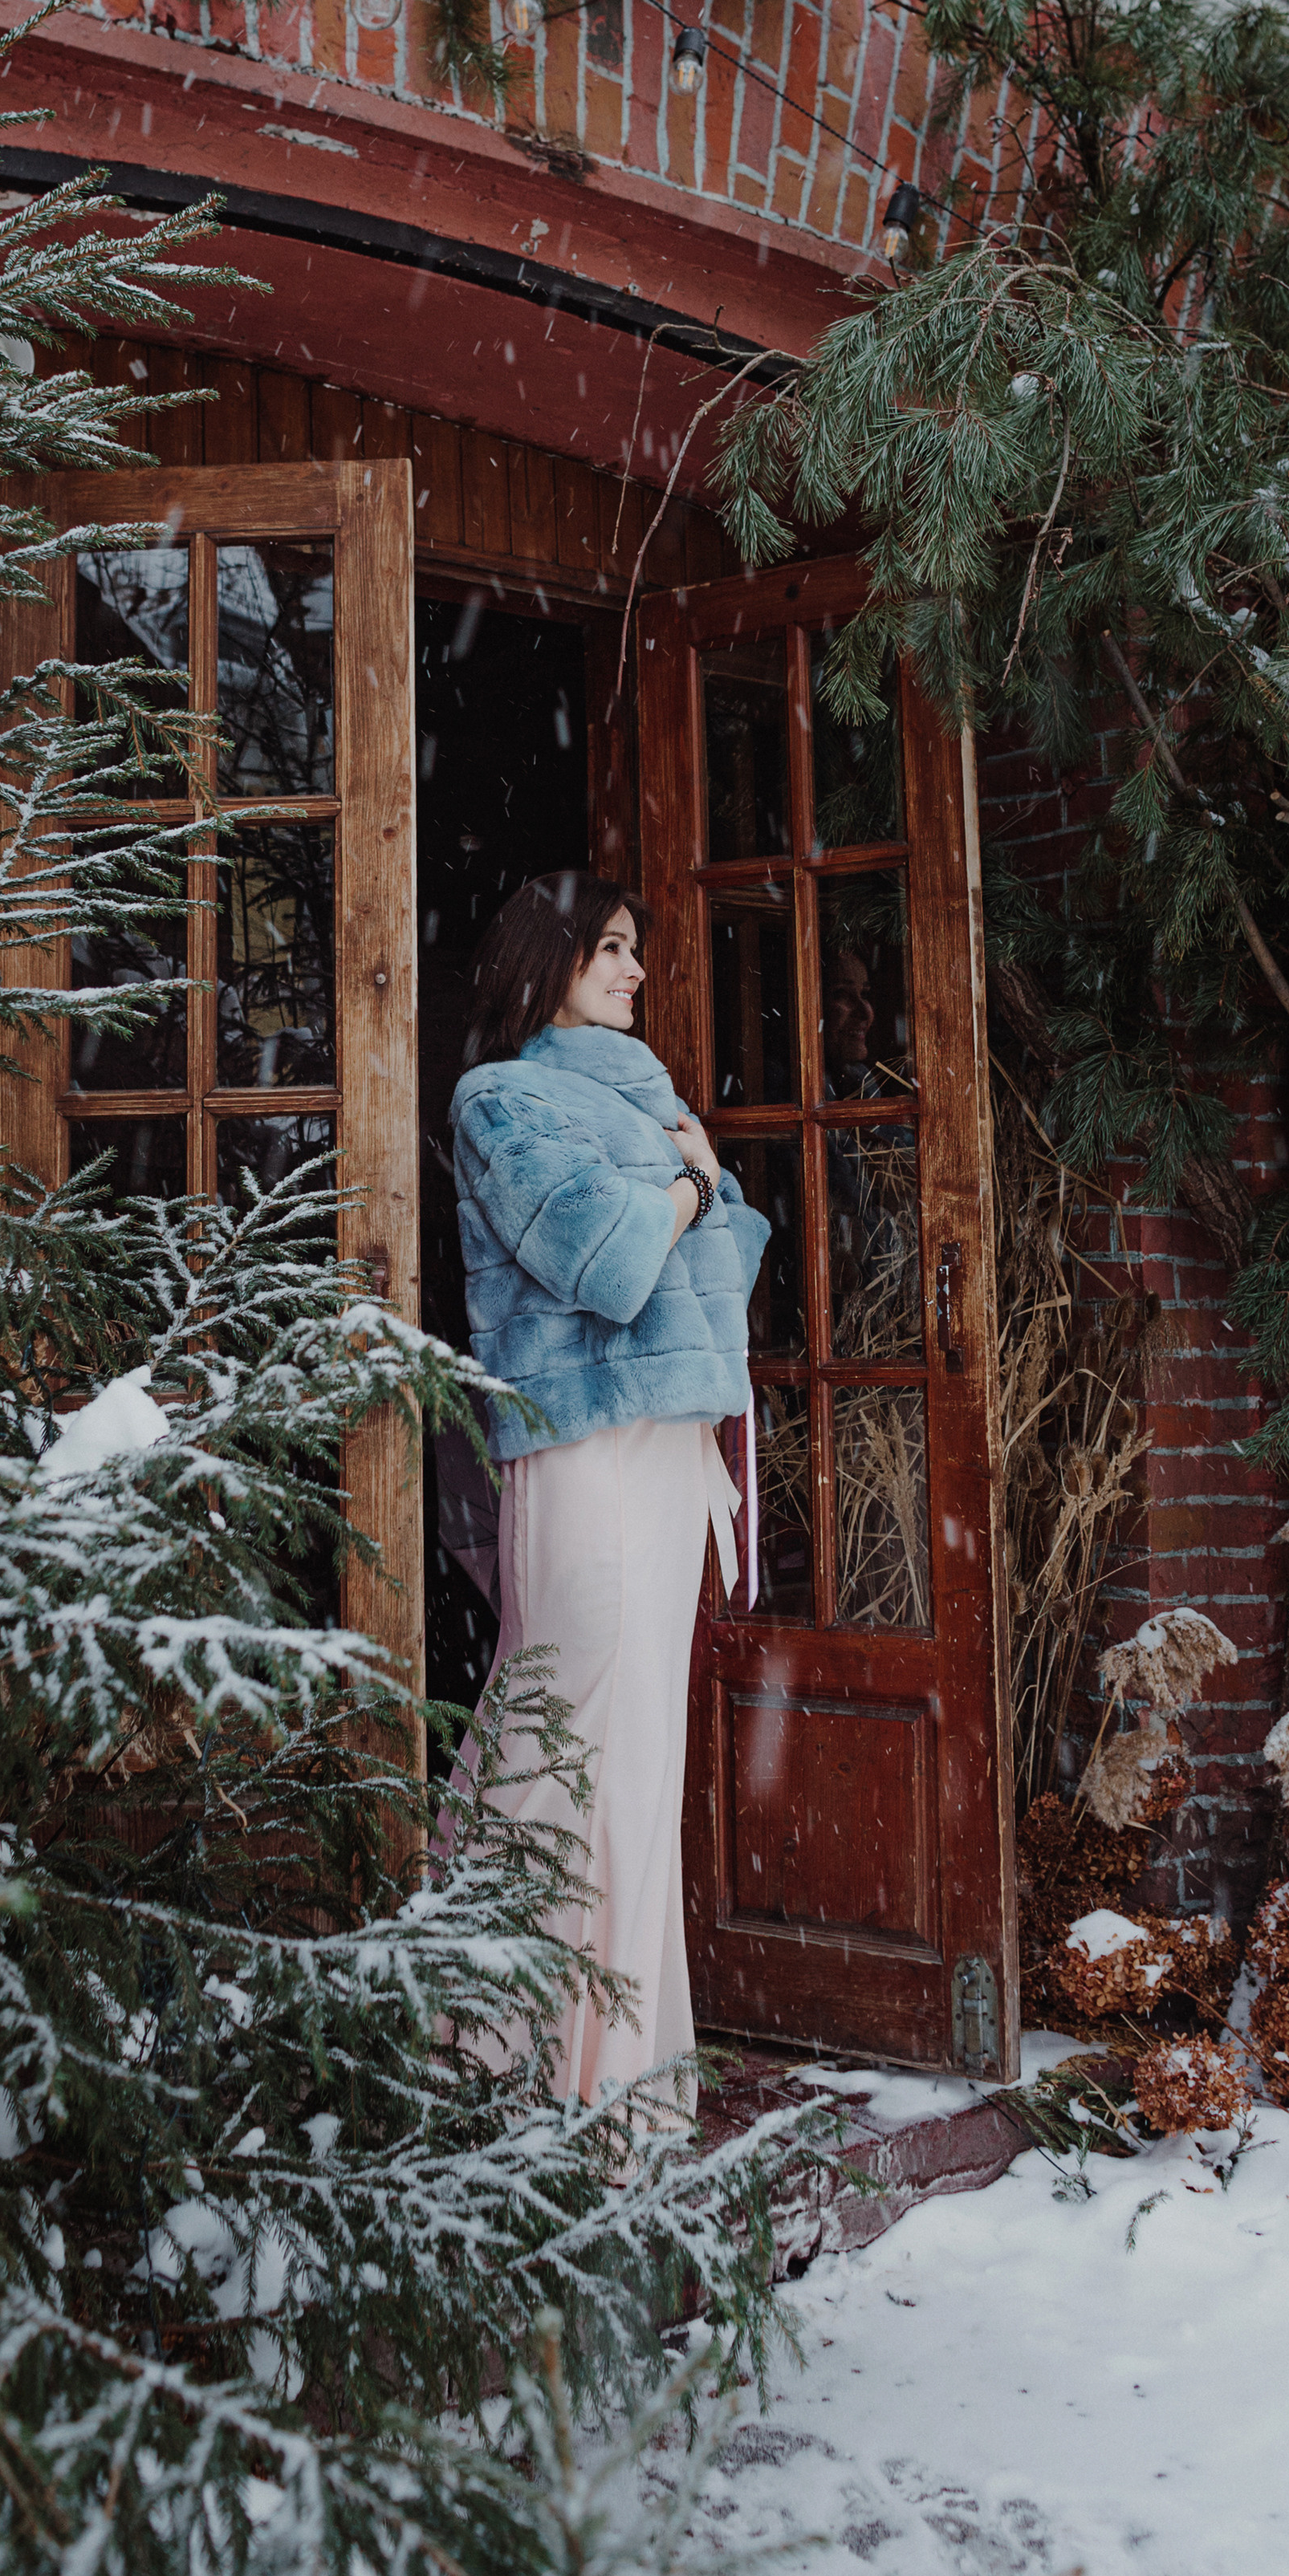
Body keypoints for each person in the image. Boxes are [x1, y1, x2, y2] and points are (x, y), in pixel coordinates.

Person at [449, 872, 769, 2104]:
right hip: (580, 1449)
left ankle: (617, 2065)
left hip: (665, 1453)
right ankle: (501, 2044)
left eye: (637, 952)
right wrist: (690, 1189)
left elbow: (726, 1264)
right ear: (551, 959)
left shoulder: (653, 1104)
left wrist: (695, 1188)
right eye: (615, 950)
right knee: (556, 1733)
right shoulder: (501, 1100)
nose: (637, 972)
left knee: (633, 1759)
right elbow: (612, 1257)